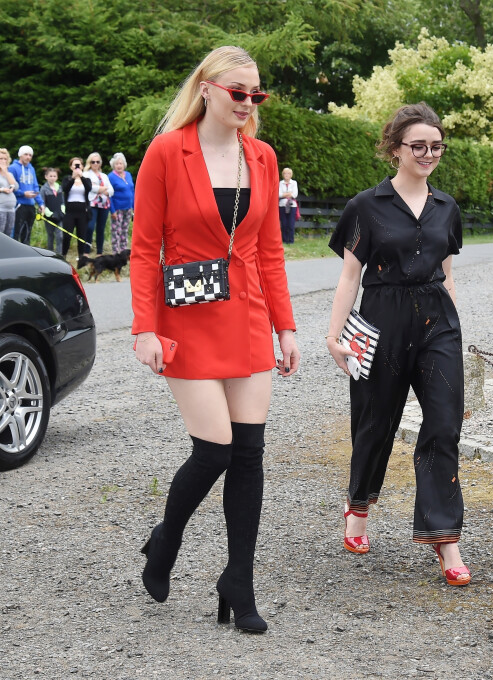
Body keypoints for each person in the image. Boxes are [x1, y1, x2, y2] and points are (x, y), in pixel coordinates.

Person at [131, 45, 300, 632]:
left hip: (249, 314)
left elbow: (271, 250)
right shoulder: (166, 152)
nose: (248, 103)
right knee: (215, 449)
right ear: (206, 89)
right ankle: (166, 539)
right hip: (187, 317)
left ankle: (239, 581)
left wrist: (286, 326)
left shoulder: (263, 156)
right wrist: (144, 328)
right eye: (238, 92)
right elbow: (144, 247)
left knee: (249, 453)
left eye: (257, 94)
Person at [325, 102, 471, 587]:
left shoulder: (447, 208)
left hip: (436, 323)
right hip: (380, 319)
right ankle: (358, 507)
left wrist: (455, 331)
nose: (428, 153)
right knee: (374, 421)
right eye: (418, 146)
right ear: (395, 149)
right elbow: (350, 276)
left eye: (436, 146)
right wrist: (334, 335)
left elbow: (448, 274)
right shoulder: (365, 206)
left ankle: (444, 538)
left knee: (444, 425)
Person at [8, 145, 44, 244]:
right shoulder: (13, 168)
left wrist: (40, 203)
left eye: (30, 155)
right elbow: (11, 186)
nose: (28, 157)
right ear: (20, 155)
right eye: (26, 154)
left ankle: (25, 256)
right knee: (16, 232)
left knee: (27, 233)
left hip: (31, 205)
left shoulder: (31, 169)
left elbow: (35, 186)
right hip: (19, 204)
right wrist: (23, 194)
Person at [61, 157, 92, 259]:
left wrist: (81, 177)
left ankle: (81, 257)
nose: (77, 167)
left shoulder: (86, 179)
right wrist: (73, 178)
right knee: (67, 235)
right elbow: (65, 189)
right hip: (70, 211)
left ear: (82, 166)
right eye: (75, 165)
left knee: (81, 236)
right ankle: (64, 255)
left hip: (82, 211)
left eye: (79, 165)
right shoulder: (67, 179)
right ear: (71, 167)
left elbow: (89, 188)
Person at [84, 152, 114, 254]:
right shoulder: (86, 174)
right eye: (93, 162)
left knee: (101, 229)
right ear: (90, 163)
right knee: (90, 227)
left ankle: (99, 253)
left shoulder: (104, 176)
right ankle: (86, 252)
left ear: (100, 163)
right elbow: (89, 187)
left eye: (97, 161)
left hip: (104, 205)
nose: (95, 164)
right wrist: (101, 188)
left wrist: (102, 189)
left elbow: (111, 190)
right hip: (92, 204)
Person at [107, 152, 134, 253]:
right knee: (116, 231)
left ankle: (123, 251)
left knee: (125, 230)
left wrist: (134, 206)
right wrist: (112, 210)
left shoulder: (128, 175)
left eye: (121, 163)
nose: (119, 166)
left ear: (124, 164)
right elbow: (109, 195)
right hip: (117, 208)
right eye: (117, 164)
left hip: (128, 208)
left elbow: (132, 191)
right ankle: (115, 252)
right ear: (113, 165)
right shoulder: (110, 177)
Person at [39, 167, 64, 254]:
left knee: (59, 236)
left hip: (59, 215)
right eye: (50, 176)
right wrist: (49, 214)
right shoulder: (44, 189)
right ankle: (50, 254)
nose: (52, 178)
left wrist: (62, 211)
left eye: (54, 176)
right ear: (46, 177)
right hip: (49, 216)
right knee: (50, 235)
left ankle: (59, 254)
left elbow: (62, 201)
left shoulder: (59, 187)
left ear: (57, 177)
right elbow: (42, 203)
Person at [0, 148, 19, 237]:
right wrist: (2, 189)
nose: (3, 161)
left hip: (11, 209)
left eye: (5, 159)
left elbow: (15, 186)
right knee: (1, 233)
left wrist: (5, 172)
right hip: (1, 208)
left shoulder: (9, 174)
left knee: (8, 234)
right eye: (1, 159)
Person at [278, 167, 298, 244]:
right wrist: (289, 194)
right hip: (282, 205)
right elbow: (279, 194)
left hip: (292, 205)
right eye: (285, 173)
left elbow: (295, 194)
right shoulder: (280, 183)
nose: (287, 175)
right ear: (283, 174)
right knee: (284, 223)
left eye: (288, 173)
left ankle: (291, 240)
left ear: (291, 175)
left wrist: (284, 194)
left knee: (291, 223)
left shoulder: (294, 183)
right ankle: (285, 240)